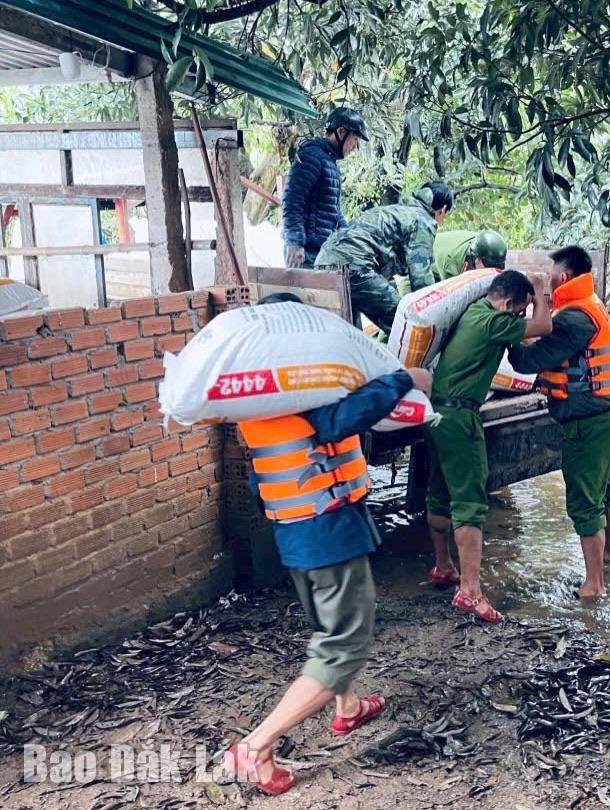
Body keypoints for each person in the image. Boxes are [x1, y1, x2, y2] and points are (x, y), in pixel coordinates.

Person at [224, 292, 433, 794]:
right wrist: (405, 378)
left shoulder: (257, 396)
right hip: (328, 534)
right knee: (342, 645)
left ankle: (348, 706)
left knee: (328, 627)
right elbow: (342, 419)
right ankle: (255, 748)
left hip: (296, 533)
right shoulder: (296, 386)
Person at [425, 270, 552, 623]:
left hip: (435, 414)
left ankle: (443, 566)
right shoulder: (495, 321)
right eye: (519, 310)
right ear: (509, 303)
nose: (519, 318)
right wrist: (541, 293)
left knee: (439, 492)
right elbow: (544, 328)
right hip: (460, 420)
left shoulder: (474, 312)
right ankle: (470, 592)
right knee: (470, 503)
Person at [507, 246, 610, 599]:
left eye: (552, 271)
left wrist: (512, 333)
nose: (549, 276)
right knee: (604, 492)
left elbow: (527, 362)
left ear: (565, 277)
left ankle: (594, 585)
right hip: (605, 417)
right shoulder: (590, 304)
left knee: (584, 504)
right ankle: (609, 559)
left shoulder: (574, 318)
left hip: (586, 423)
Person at [314, 181, 453, 334]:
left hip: (323, 263)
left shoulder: (396, 210)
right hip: (354, 267)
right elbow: (421, 281)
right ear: (443, 210)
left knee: (351, 336)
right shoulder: (423, 221)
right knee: (406, 327)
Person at [282, 108, 369, 268]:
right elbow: (292, 201)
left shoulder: (329, 162)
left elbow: (334, 211)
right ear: (341, 132)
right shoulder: (312, 156)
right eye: (355, 139)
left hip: (320, 251)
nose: (355, 147)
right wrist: (295, 242)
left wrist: (351, 237)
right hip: (304, 252)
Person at [433, 229, 507, 281]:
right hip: (429, 259)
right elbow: (449, 295)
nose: (490, 270)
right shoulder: (452, 264)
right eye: (488, 266)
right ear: (476, 258)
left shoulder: (481, 241)